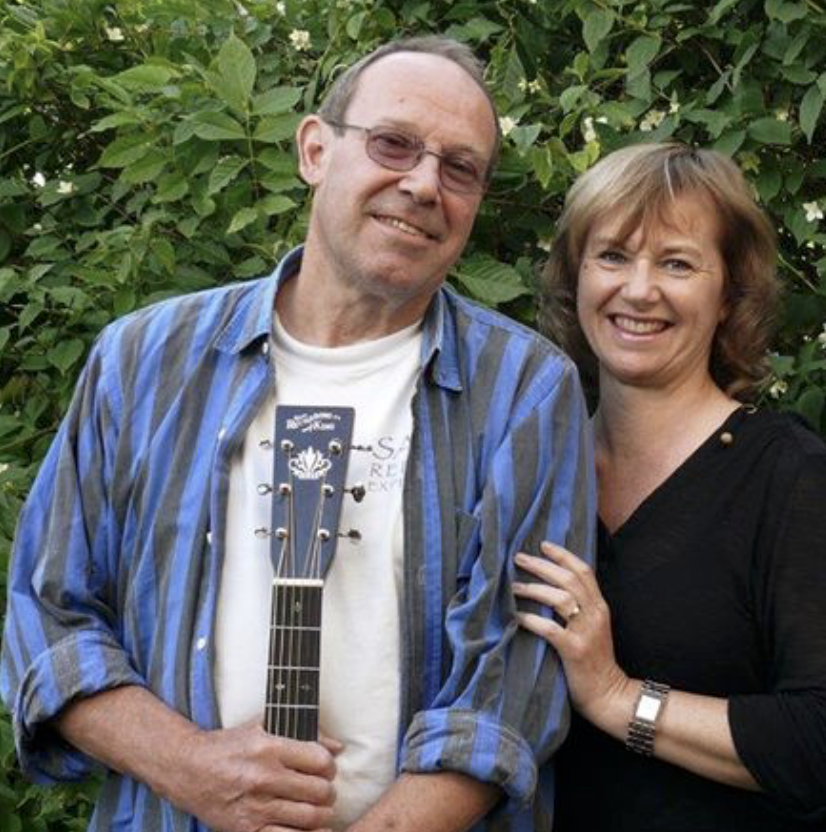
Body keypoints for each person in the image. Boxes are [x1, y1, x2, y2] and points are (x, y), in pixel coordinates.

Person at [0, 36, 594, 832]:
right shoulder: (142, 360)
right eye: (394, 144)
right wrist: (193, 768)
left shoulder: (525, 390)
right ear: (316, 149)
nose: (423, 184)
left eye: (461, 169)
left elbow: (516, 678)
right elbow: (47, 614)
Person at [513, 142, 826, 831]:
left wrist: (618, 696)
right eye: (613, 256)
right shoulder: (529, 467)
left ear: (729, 296)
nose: (638, 289)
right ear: (576, 277)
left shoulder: (787, 475)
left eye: (677, 263)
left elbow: (815, 739)